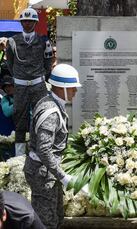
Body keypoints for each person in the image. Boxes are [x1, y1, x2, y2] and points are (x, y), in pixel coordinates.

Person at [23, 64, 85, 229]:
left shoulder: (52, 103)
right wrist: (63, 176)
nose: (75, 92)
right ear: (62, 88)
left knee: (57, 217)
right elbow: (44, 149)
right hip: (43, 173)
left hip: (48, 171)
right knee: (47, 222)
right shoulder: (51, 111)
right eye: (72, 88)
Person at [6, 8, 53, 156]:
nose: (27, 23)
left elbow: (48, 61)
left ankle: (40, 153)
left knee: (41, 117)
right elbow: (10, 64)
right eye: (25, 21)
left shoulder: (44, 40)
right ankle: (19, 157)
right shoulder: (13, 41)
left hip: (38, 85)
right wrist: (20, 78)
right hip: (20, 87)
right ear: (21, 22)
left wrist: (41, 76)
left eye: (30, 21)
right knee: (20, 118)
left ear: (35, 22)